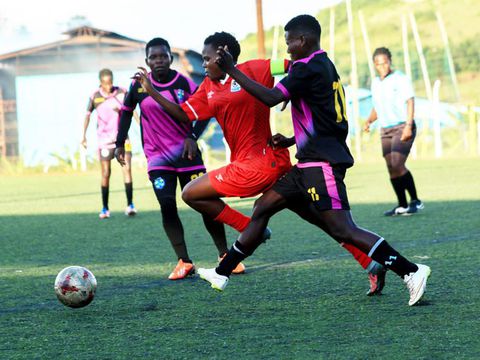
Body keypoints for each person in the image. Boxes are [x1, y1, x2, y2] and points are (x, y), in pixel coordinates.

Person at [198, 15, 431, 306]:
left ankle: (411, 271)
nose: (287, 49)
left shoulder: (307, 67)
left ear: (302, 40)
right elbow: (326, 117)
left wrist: (232, 69)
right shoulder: (323, 65)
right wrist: (293, 140)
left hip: (321, 164)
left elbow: (270, 98)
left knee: (343, 228)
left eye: (289, 42)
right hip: (307, 163)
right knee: (262, 207)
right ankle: (222, 273)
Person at [133, 31, 386, 295]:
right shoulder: (207, 87)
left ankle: (249, 228)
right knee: (324, 220)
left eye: (207, 59)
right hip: (276, 164)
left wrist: (292, 92)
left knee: (190, 193)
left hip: (252, 167)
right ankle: (369, 263)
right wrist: (152, 92)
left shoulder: (256, 68)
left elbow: (295, 67)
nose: (204, 64)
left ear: (223, 56)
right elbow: (183, 114)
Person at [115, 38, 228, 280]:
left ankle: (225, 255)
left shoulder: (184, 83)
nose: (158, 61)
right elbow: (126, 114)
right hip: (158, 158)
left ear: (170, 58)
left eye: (163, 56)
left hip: (188, 156)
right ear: (147, 61)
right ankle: (184, 262)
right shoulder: (138, 86)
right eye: (153, 57)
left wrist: (192, 136)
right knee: (167, 206)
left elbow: (207, 110)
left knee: (205, 202)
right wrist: (118, 144)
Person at [364, 47, 423, 216]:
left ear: (390, 61)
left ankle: (415, 201)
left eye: (385, 62)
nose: (382, 66)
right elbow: (377, 107)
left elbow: (410, 101)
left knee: (398, 164)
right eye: (378, 64)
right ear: (374, 65)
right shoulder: (375, 83)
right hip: (385, 129)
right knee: (391, 167)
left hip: (402, 126)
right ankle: (402, 205)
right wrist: (369, 120)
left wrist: (408, 126)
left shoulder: (400, 78)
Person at [82, 68, 137, 219]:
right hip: (104, 141)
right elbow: (87, 116)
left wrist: (142, 126)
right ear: (101, 83)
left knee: (127, 170)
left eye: (110, 82)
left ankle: (130, 205)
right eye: (105, 83)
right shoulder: (95, 97)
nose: (108, 86)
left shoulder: (122, 92)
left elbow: (132, 112)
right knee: (106, 173)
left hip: (123, 139)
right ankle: (105, 208)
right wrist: (83, 136)